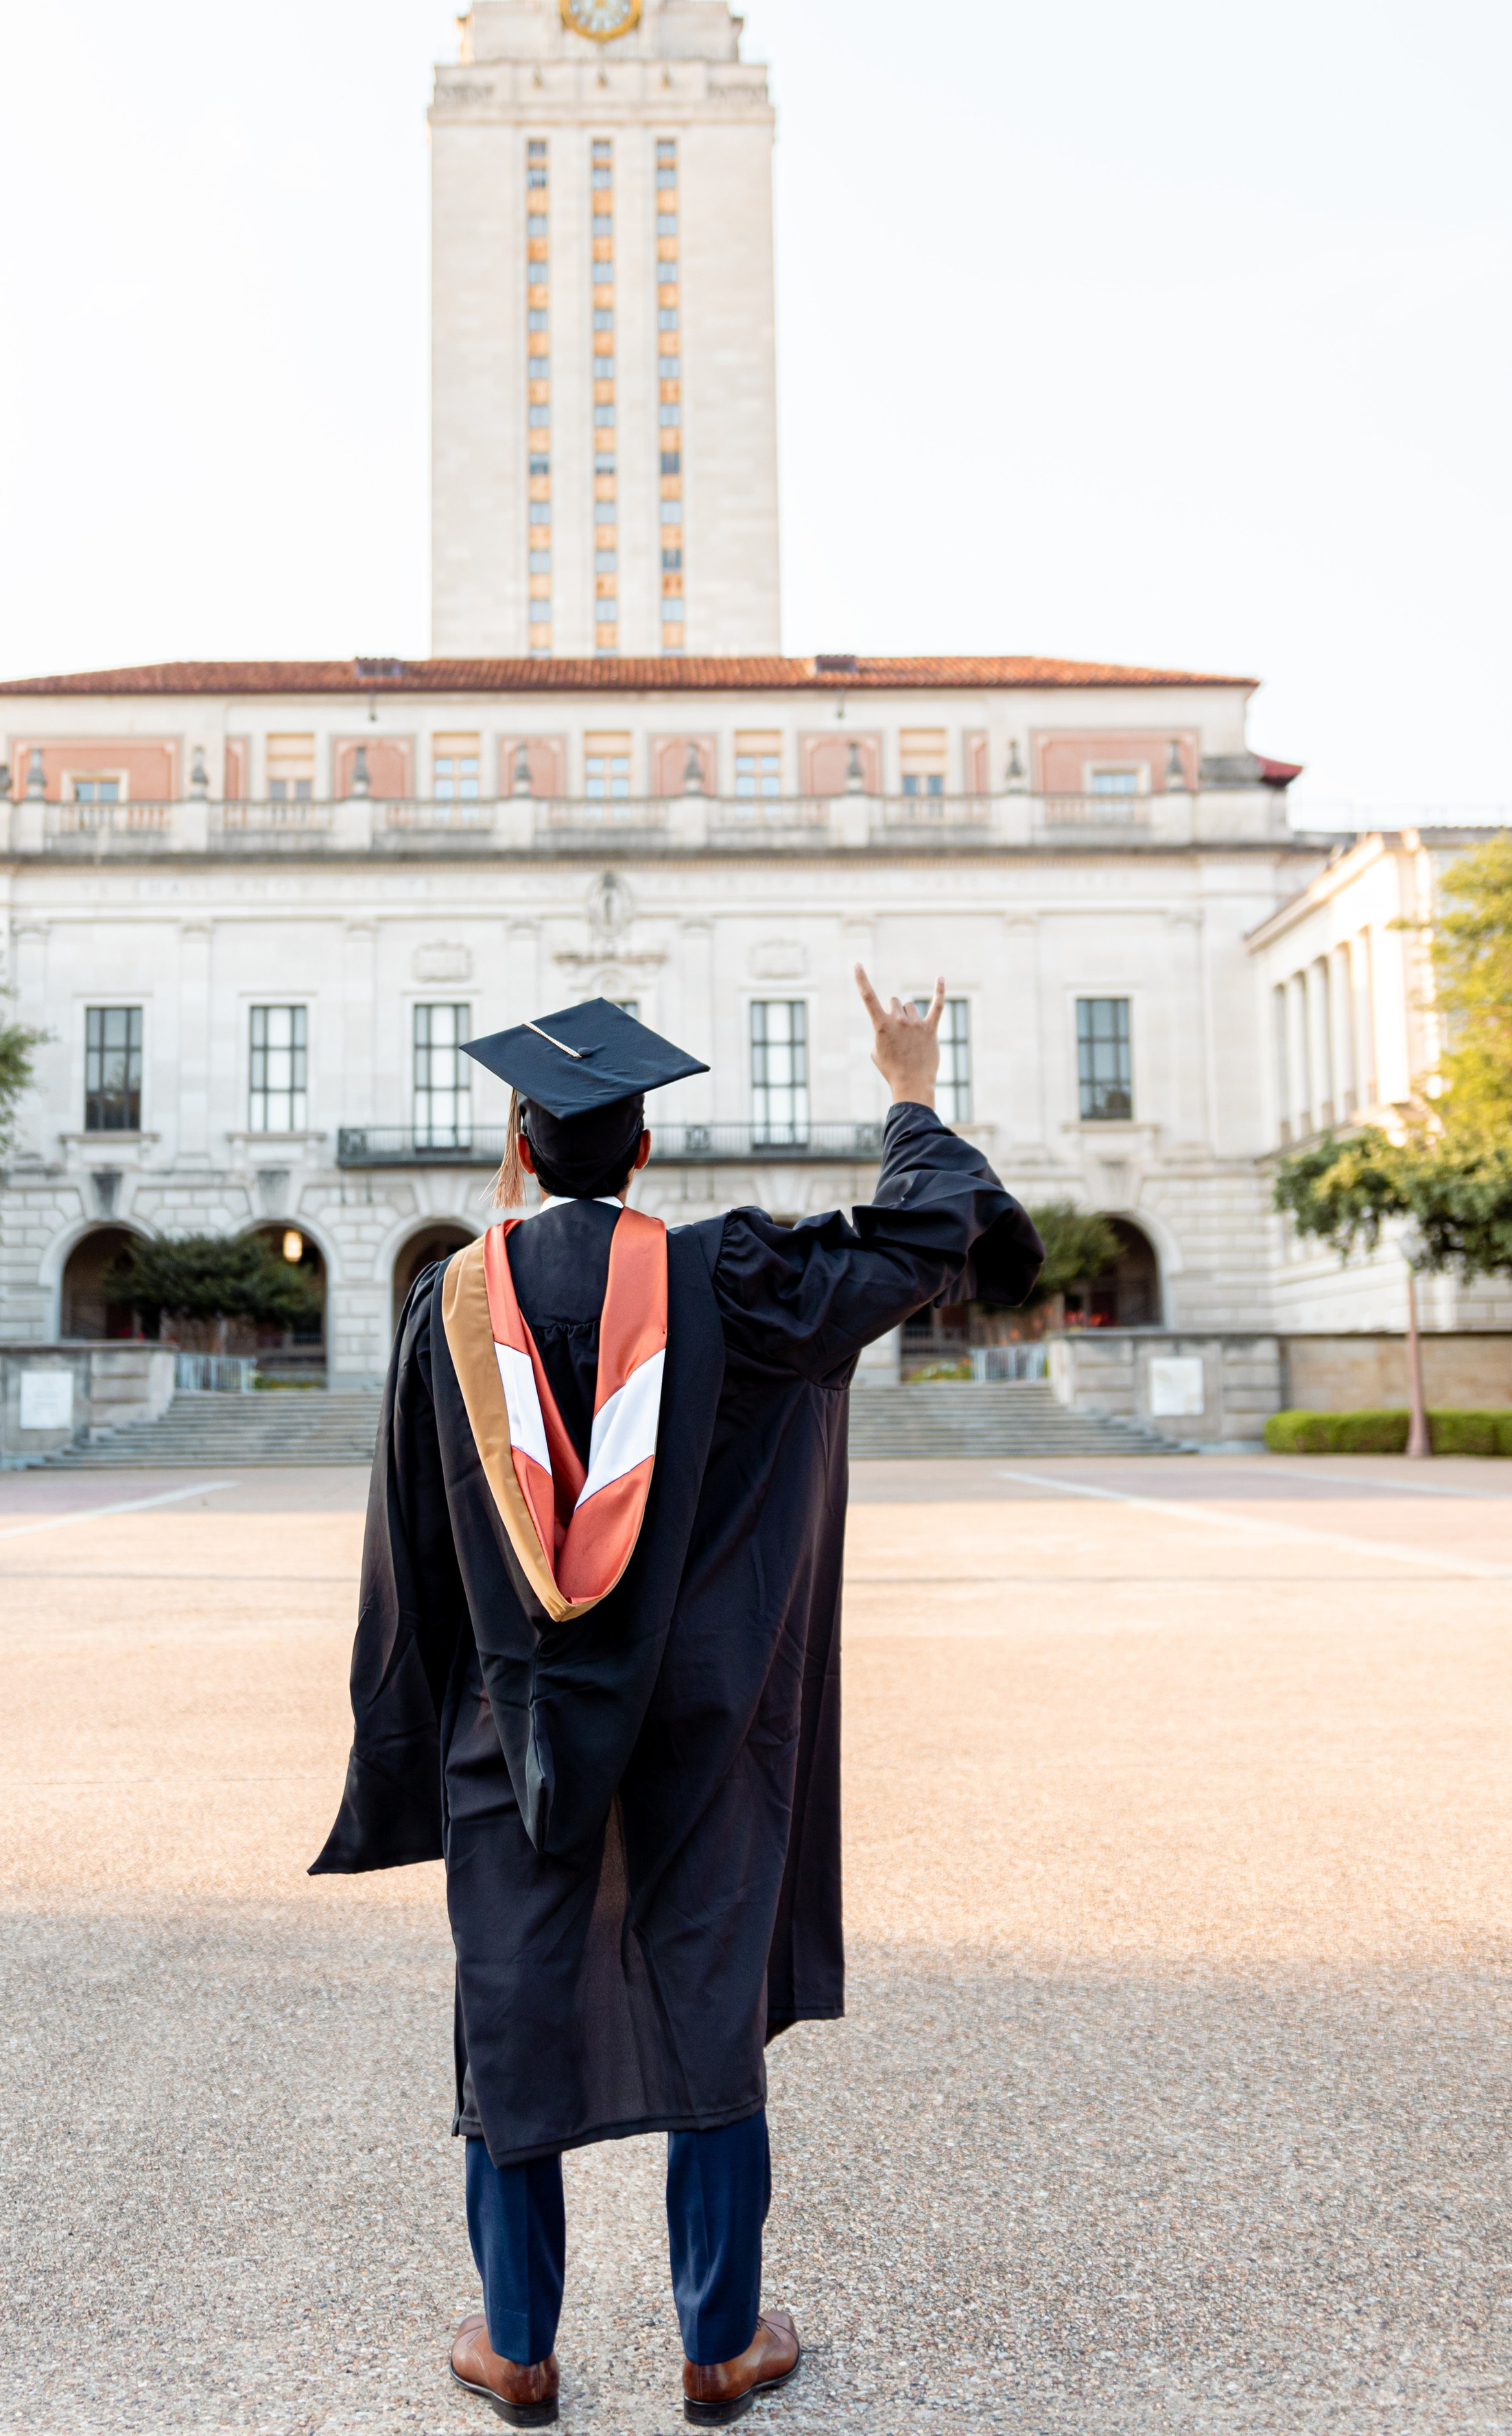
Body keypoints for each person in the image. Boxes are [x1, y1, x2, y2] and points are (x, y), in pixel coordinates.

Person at [311, 972, 1043, 2426]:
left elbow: (406, 1546)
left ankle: (516, 2346)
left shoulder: (446, 1308)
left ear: (519, 1149)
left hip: (508, 1728)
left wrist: (420, 1734)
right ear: (643, 1151)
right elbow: (923, 1234)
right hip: (706, 1727)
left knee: (513, 2002)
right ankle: (717, 2340)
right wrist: (905, 1083)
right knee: (704, 1985)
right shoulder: (731, 1279)